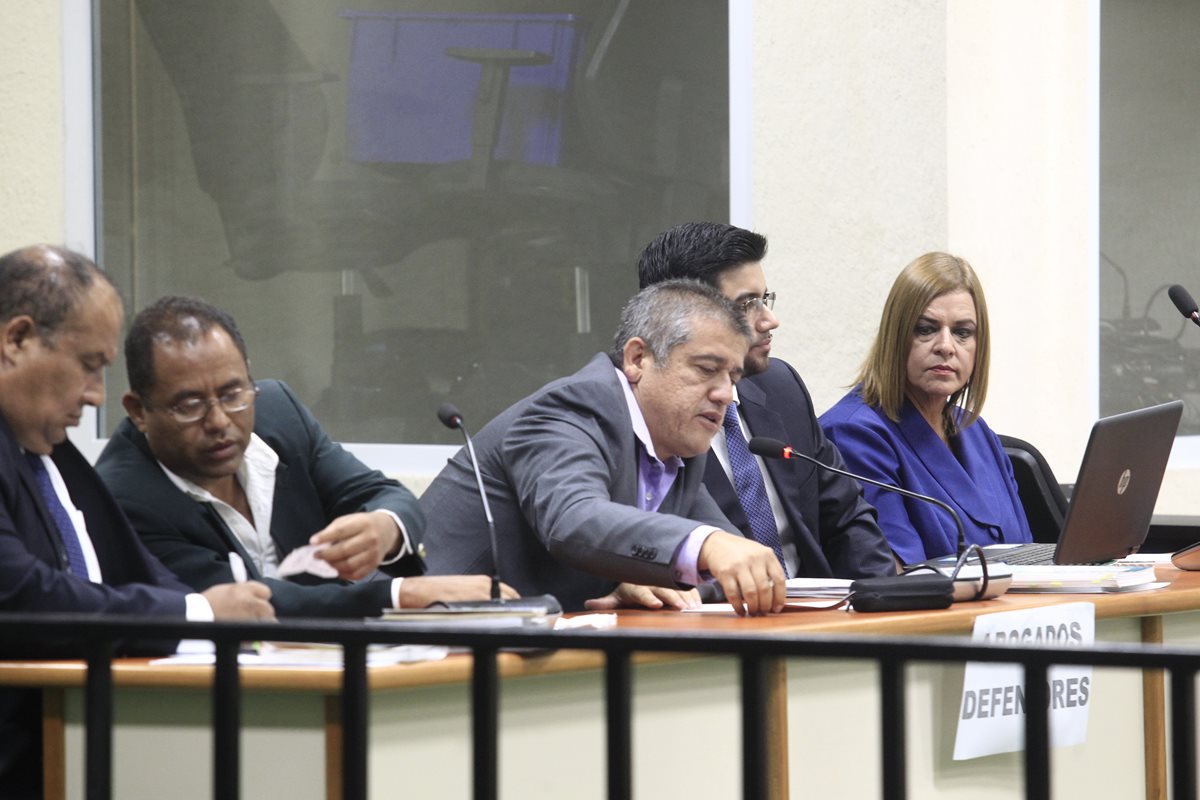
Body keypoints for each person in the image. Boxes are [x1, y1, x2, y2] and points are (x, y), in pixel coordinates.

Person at [0, 245, 274, 799]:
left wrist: (221, 625)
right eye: (88, 365)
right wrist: (199, 611)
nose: (95, 396)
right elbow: (20, 595)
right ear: (17, 339)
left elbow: (136, 570)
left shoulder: (48, 447)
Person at [96, 296, 514, 617]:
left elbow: (384, 494)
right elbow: (251, 602)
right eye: (189, 405)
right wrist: (400, 595)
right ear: (138, 411)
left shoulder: (278, 412)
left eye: (232, 393)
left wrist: (383, 528)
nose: (220, 420)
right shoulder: (121, 494)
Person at [420, 279, 788, 615]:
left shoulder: (677, 447)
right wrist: (704, 547)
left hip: (534, 652)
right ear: (637, 359)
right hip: (406, 638)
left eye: (732, 377)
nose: (725, 393)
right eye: (707, 369)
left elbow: (730, 568)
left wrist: (652, 584)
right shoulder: (569, 411)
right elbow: (573, 521)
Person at [637, 222, 896, 579]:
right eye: (747, 305)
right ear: (682, 315)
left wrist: (886, 607)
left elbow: (847, 519)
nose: (769, 320)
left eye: (765, 299)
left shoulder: (780, 387)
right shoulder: (646, 420)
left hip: (819, 618)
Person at [819, 252, 1032, 563]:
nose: (946, 346)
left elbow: (1026, 552)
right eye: (926, 328)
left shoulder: (975, 430)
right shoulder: (853, 434)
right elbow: (900, 575)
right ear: (895, 336)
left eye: (962, 332)